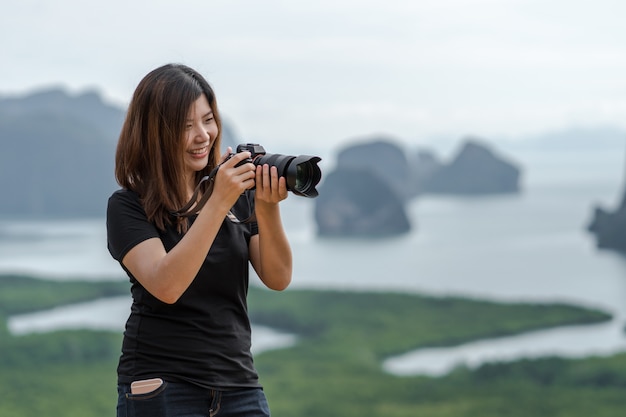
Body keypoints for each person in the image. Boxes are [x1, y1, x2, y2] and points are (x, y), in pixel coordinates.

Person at [106, 63, 292, 417]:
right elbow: (167, 284)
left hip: (239, 386)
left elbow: (278, 277)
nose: (203, 135)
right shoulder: (128, 205)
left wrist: (267, 207)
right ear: (154, 133)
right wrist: (218, 201)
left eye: (208, 120)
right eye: (185, 126)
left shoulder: (235, 195)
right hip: (162, 388)